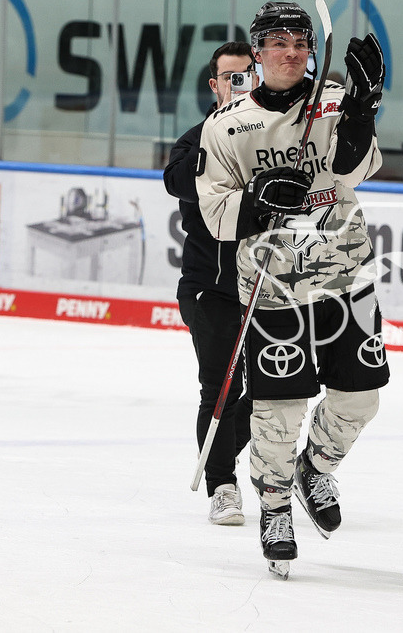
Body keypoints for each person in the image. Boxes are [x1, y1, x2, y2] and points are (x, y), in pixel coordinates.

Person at [196, 2, 389, 567]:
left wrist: (363, 109)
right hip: (273, 285)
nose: (292, 52)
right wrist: (257, 203)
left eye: (301, 42)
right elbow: (216, 213)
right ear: (257, 53)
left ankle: (317, 466)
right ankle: (275, 506)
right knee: (279, 409)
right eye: (278, 42)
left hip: (346, 275)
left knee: (362, 397)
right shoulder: (227, 124)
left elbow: (355, 170)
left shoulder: (334, 101)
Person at [164, 42, 258, 526]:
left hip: (268, 288)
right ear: (215, 84)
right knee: (221, 388)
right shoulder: (195, 139)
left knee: (275, 389)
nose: (240, 85)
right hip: (211, 288)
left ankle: (226, 454)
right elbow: (176, 181)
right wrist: (220, 133)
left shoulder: (274, 135)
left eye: (248, 76)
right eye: (230, 78)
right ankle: (223, 485)